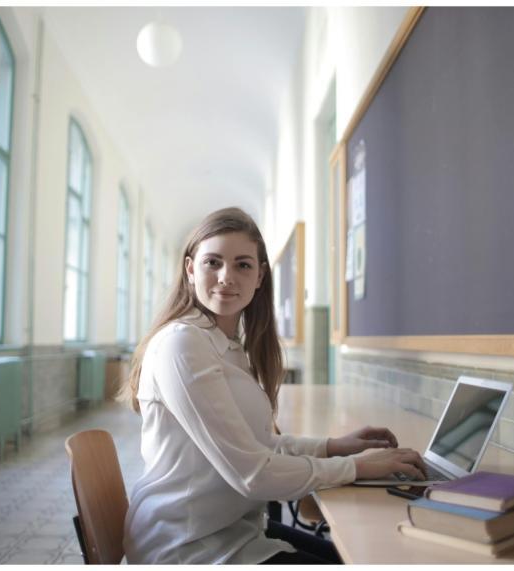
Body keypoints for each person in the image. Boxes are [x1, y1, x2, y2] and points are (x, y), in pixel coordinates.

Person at [121, 207, 427, 564]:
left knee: (362, 556)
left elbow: (256, 446)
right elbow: (253, 474)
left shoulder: (227, 346)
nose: (226, 277)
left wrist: (333, 447)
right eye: (213, 262)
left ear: (260, 276)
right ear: (190, 269)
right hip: (187, 549)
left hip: (233, 532)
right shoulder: (182, 344)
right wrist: (358, 467)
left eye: (242, 265)